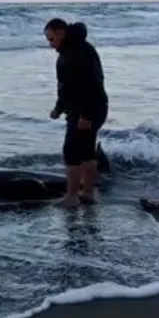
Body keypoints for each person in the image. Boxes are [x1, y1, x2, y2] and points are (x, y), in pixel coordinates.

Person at [44, 18, 108, 206]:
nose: (50, 44)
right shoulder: (69, 52)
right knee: (86, 151)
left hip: (88, 110)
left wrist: (85, 115)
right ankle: (87, 193)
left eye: (51, 39)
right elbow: (66, 87)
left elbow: (91, 85)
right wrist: (58, 108)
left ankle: (72, 197)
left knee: (72, 151)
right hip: (85, 109)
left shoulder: (79, 52)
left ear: (60, 32)